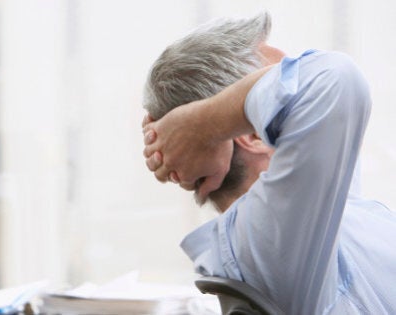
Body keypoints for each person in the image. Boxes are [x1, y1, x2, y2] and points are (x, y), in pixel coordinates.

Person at [141, 12, 396, 314]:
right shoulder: (270, 238)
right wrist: (202, 125)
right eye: (275, 83)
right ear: (252, 134)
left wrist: (194, 134)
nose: (290, 78)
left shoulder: (315, 218)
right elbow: (335, 79)